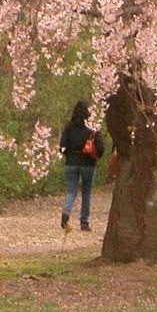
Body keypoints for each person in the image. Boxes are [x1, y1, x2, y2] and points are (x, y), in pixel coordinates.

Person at [58, 99, 105, 232]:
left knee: (71, 190)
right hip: (88, 163)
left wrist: (69, 154)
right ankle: (84, 222)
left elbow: (62, 146)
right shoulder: (93, 127)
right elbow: (101, 147)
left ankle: (66, 212)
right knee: (86, 192)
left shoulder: (69, 126)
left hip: (71, 162)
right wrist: (97, 155)